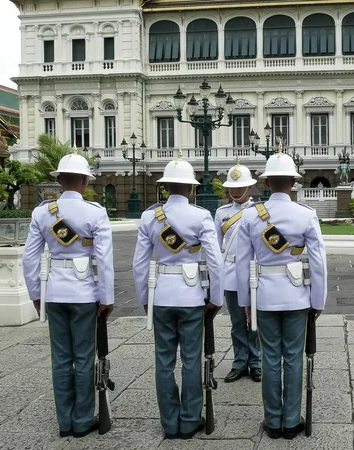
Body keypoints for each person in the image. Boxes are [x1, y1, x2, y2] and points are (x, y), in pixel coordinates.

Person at [235, 149, 327, 440]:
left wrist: (245, 302)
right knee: (294, 358)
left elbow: (241, 263)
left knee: (271, 358)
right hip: (297, 297)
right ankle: (290, 422)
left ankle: (272, 422)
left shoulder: (251, 217)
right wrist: (318, 301)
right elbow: (318, 262)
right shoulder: (305, 215)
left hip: (263, 296)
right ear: (292, 182)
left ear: (267, 182)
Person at [23, 153, 115, 438]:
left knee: (61, 358)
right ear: (86, 182)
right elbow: (104, 259)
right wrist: (106, 297)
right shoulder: (95, 212)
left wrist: (37, 294)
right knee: (84, 357)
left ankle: (65, 421)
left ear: (59, 181)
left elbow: (30, 259)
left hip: (55, 293)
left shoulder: (43, 212)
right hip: (85, 292)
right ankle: (83, 419)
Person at [132, 155, 224, 440]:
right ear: (190, 188)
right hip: (192, 296)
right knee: (191, 360)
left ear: (165, 187)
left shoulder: (150, 216)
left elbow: (139, 263)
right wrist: (216, 297)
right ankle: (189, 420)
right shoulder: (200, 216)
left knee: (164, 361)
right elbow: (215, 261)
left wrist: (145, 298)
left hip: (161, 296)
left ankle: (169, 422)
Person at [214, 161, 262, 383]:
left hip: (252, 273)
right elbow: (216, 246)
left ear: (249, 188)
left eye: (239, 186)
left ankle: (256, 362)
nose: (235, 191)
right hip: (231, 273)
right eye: (232, 187)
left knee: (254, 320)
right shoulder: (221, 213)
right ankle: (239, 361)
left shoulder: (259, 212)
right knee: (236, 321)